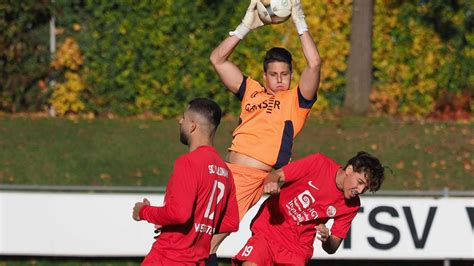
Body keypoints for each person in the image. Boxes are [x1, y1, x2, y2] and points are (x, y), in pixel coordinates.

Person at [208, 0, 322, 261]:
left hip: (249, 177)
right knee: (199, 236)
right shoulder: (252, 90)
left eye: (285, 74)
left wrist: (299, 22)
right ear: (265, 74)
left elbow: (314, 64)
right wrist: (245, 27)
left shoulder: (297, 101)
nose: (280, 79)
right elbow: (217, 59)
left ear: (292, 74)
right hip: (223, 170)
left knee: (207, 238)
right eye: (274, 74)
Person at [132, 98, 239, 266]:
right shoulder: (225, 171)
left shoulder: (188, 162)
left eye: (184, 117)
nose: (180, 121)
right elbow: (231, 222)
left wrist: (144, 211)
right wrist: (194, 229)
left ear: (193, 125)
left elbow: (179, 214)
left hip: (169, 258)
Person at [232, 151, 386, 265]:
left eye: (364, 188)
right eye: (359, 182)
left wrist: (327, 238)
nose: (359, 190)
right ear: (350, 170)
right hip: (270, 230)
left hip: (297, 248)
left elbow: (332, 248)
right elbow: (276, 176)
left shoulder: (352, 205)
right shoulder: (318, 163)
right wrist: (271, 183)